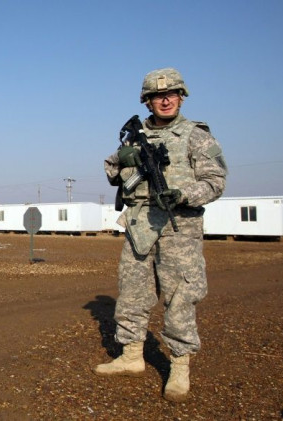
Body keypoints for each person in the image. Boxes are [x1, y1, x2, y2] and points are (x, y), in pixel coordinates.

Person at [94, 68, 227, 402]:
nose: (165, 100)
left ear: (181, 97)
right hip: (140, 226)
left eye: (171, 95)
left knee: (180, 296)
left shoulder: (197, 135)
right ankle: (131, 356)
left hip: (178, 227)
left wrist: (183, 194)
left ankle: (179, 367)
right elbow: (111, 169)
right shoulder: (134, 136)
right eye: (157, 96)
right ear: (147, 101)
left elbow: (215, 181)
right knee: (132, 293)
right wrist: (124, 159)